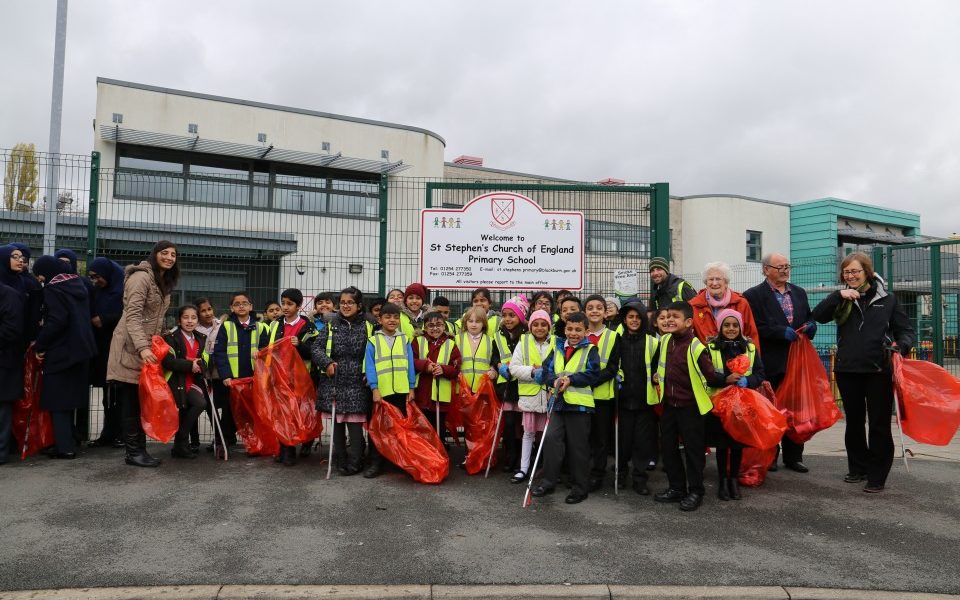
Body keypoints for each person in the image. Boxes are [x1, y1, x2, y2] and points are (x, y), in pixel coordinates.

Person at [812, 252, 915, 493]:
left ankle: (877, 476)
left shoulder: (887, 299)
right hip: (848, 369)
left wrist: (901, 346)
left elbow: (906, 331)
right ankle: (858, 468)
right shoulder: (842, 298)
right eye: (847, 272)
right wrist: (837, 295)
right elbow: (818, 316)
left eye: (855, 271)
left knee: (879, 424)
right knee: (854, 423)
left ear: (866, 272)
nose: (851, 276)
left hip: (878, 370)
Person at [107, 241, 179, 468]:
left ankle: (140, 450)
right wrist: (143, 347)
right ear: (155, 254)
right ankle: (133, 452)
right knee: (130, 402)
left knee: (140, 402)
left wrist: (163, 336)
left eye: (173, 255)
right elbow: (133, 316)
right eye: (164, 253)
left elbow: (154, 318)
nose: (169, 257)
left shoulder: (161, 279)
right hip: (131, 348)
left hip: (146, 349)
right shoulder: (141, 277)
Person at [743, 253, 817, 473]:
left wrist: (812, 326)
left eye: (787, 266)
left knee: (795, 410)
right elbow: (753, 327)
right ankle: (770, 455)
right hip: (769, 362)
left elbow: (808, 317)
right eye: (780, 267)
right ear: (766, 269)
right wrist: (778, 332)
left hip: (796, 362)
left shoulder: (799, 293)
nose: (785, 270)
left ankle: (794, 456)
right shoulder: (753, 296)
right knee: (770, 409)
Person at [651, 301, 726, 511]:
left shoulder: (696, 347)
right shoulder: (665, 341)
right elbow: (661, 368)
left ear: (688, 322)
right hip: (669, 406)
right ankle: (676, 488)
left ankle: (695, 491)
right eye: (666, 316)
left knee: (693, 451)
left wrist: (729, 379)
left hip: (691, 408)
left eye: (675, 317)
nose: (669, 320)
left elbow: (710, 376)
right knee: (668, 448)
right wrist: (657, 377)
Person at [530, 312, 602, 504]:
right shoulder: (558, 347)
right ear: (565, 329)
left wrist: (571, 380)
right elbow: (546, 371)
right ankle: (548, 481)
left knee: (578, 447)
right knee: (552, 440)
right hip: (558, 403)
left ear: (586, 331)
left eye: (578, 330)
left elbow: (593, 374)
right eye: (570, 329)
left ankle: (580, 487)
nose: (573, 333)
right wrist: (553, 381)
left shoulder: (590, 350)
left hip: (579, 406)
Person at [32, 256, 98, 459]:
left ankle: (65, 448)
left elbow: (57, 320)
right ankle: (69, 441)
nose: (42, 280)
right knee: (69, 399)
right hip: (82, 350)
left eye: (41, 275)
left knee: (57, 400)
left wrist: (40, 344)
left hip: (61, 351)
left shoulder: (53, 289)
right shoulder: (78, 285)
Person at [312, 287, 374, 476]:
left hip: (357, 381)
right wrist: (327, 363)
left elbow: (375, 351)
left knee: (355, 423)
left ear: (359, 305)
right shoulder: (331, 323)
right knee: (337, 423)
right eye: (343, 302)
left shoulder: (368, 324)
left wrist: (369, 373)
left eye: (351, 303)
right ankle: (340, 459)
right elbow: (316, 348)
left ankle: (355, 461)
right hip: (334, 380)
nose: (346, 306)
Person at [705, 309, 766, 501]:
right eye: (726, 325)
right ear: (720, 327)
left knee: (738, 443)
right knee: (723, 444)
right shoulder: (711, 348)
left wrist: (748, 381)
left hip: (742, 405)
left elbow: (759, 372)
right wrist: (726, 379)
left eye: (734, 325)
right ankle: (722, 479)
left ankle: (733, 479)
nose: (731, 329)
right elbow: (706, 376)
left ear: (740, 327)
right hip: (720, 404)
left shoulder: (749, 347)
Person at [266, 288, 319, 465]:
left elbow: (314, 352)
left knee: (299, 414)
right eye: (283, 303)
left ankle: (300, 444)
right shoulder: (274, 325)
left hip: (300, 379)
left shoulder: (308, 327)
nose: (285, 307)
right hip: (278, 377)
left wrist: (300, 345)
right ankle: (286, 450)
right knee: (282, 414)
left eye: (290, 304)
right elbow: (265, 346)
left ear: (299, 306)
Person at [363, 302, 416, 478]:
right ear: (380, 319)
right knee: (377, 429)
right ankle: (375, 463)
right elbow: (370, 367)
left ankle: (399, 461)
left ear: (400, 320)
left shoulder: (404, 339)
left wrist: (411, 387)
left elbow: (410, 366)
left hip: (401, 391)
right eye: (388, 317)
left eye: (395, 317)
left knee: (399, 429)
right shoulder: (373, 340)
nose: (392, 320)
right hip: (381, 393)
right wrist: (374, 388)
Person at [214, 291, 269, 453]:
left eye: (244, 303)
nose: (241, 306)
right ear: (231, 308)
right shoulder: (226, 326)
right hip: (232, 380)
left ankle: (254, 444)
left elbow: (266, 351)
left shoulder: (260, 327)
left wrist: (260, 352)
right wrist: (225, 375)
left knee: (253, 413)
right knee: (229, 412)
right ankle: (224, 444)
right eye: (237, 304)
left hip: (254, 378)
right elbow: (220, 352)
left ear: (251, 306)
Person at [614, 301, 658, 495]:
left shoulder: (652, 342)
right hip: (622, 400)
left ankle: (639, 478)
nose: (634, 320)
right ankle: (621, 473)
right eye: (630, 317)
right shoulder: (617, 339)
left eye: (638, 317)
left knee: (642, 442)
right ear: (624, 319)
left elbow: (657, 367)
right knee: (623, 441)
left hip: (644, 401)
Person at [508, 309, 555, 483]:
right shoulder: (523, 342)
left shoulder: (556, 342)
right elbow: (514, 368)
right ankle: (523, 468)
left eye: (544, 324)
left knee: (548, 436)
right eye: (536, 324)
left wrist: (549, 374)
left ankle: (546, 469)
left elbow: (560, 366)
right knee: (528, 434)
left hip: (549, 396)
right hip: (529, 398)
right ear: (530, 326)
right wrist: (533, 372)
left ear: (549, 326)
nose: (540, 328)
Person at [583, 294, 621, 491]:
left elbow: (613, 367)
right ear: (585, 312)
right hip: (580, 396)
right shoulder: (578, 334)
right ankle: (581, 472)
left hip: (602, 396)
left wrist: (590, 380)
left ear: (606, 313)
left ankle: (598, 474)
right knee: (582, 437)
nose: (595, 311)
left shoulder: (614, 336)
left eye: (599, 307)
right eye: (590, 307)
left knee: (600, 438)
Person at [86, 257, 126, 449]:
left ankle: (120, 433)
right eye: (91, 277)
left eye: (97, 276)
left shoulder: (123, 289)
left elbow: (129, 315)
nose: (95, 281)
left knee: (117, 393)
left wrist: (105, 319)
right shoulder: (98, 292)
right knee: (107, 394)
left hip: (118, 348)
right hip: (102, 348)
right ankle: (108, 434)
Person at [161, 305, 209, 459]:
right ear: (179, 320)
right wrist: (190, 365)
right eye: (185, 317)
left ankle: (180, 445)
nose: (190, 321)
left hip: (193, 381)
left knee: (195, 406)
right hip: (177, 382)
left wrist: (202, 364)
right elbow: (168, 362)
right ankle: (181, 443)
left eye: (193, 317)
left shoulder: (201, 337)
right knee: (198, 404)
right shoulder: (170, 337)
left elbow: (205, 359)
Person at [412, 311, 461, 445]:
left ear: (444, 326)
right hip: (422, 393)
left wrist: (443, 369)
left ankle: (438, 457)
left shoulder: (451, 343)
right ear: (425, 327)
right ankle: (425, 458)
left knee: (439, 430)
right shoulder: (418, 341)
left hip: (441, 397)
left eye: (438, 325)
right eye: (430, 325)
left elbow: (456, 366)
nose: (435, 328)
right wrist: (425, 365)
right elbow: (411, 361)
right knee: (422, 429)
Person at [689, 262, 761, 353]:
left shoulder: (741, 303)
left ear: (726, 282)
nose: (714, 283)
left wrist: (754, 361)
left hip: (737, 360)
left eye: (718, 279)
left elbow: (751, 334)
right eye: (710, 279)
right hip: (705, 360)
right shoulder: (694, 305)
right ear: (706, 282)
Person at [493, 295, 529, 473]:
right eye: (505, 315)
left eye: (512, 315)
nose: (507, 319)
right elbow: (494, 355)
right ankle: (510, 456)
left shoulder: (527, 336)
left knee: (521, 425)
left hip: (522, 385)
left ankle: (521, 459)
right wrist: (498, 366)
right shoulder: (499, 336)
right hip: (506, 385)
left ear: (520, 317)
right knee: (508, 423)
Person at [0, 257, 25, 465]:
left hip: (5, 360)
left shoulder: (9, 295)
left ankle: (2, 451)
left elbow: (12, 329)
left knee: (2, 407)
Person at [193, 297, 225, 453]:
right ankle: (193, 441)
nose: (207, 313)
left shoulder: (221, 326)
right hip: (199, 375)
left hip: (217, 374)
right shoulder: (193, 328)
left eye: (209, 309)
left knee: (216, 407)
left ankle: (220, 440)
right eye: (203, 311)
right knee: (200, 405)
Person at [456, 306, 499, 393]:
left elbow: (494, 362)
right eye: (470, 321)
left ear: (483, 323)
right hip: (462, 388)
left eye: (478, 321)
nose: (474, 324)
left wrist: (494, 372)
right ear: (465, 322)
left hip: (483, 390)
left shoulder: (490, 341)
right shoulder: (457, 339)